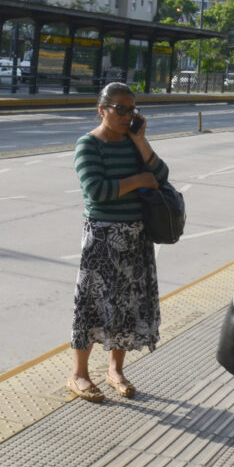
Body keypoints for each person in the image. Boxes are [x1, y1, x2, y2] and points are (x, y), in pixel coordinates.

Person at [68, 82, 165, 402]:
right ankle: (79, 374)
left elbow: (161, 175)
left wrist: (140, 140)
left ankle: (115, 370)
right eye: (120, 109)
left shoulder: (132, 143)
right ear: (102, 110)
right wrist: (138, 180)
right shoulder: (88, 145)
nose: (127, 116)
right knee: (91, 305)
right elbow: (96, 191)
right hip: (102, 238)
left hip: (135, 236)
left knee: (125, 306)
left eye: (132, 110)